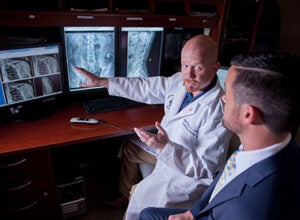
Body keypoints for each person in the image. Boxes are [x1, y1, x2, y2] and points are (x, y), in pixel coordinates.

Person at [74, 34, 233, 219]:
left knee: (143, 206)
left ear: (214, 68)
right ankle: (124, 195)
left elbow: (204, 169)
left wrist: (166, 147)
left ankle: (132, 200)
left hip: (185, 177)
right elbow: (145, 87)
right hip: (165, 151)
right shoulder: (179, 82)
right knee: (130, 147)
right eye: (185, 65)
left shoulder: (219, 111)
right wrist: (103, 82)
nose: (189, 75)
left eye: (198, 67)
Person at [139, 50, 300, 220]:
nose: (222, 98)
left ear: (248, 114)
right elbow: (226, 177)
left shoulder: (249, 210)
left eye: (228, 94)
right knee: (148, 214)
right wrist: (190, 214)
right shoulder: (267, 146)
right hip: (203, 211)